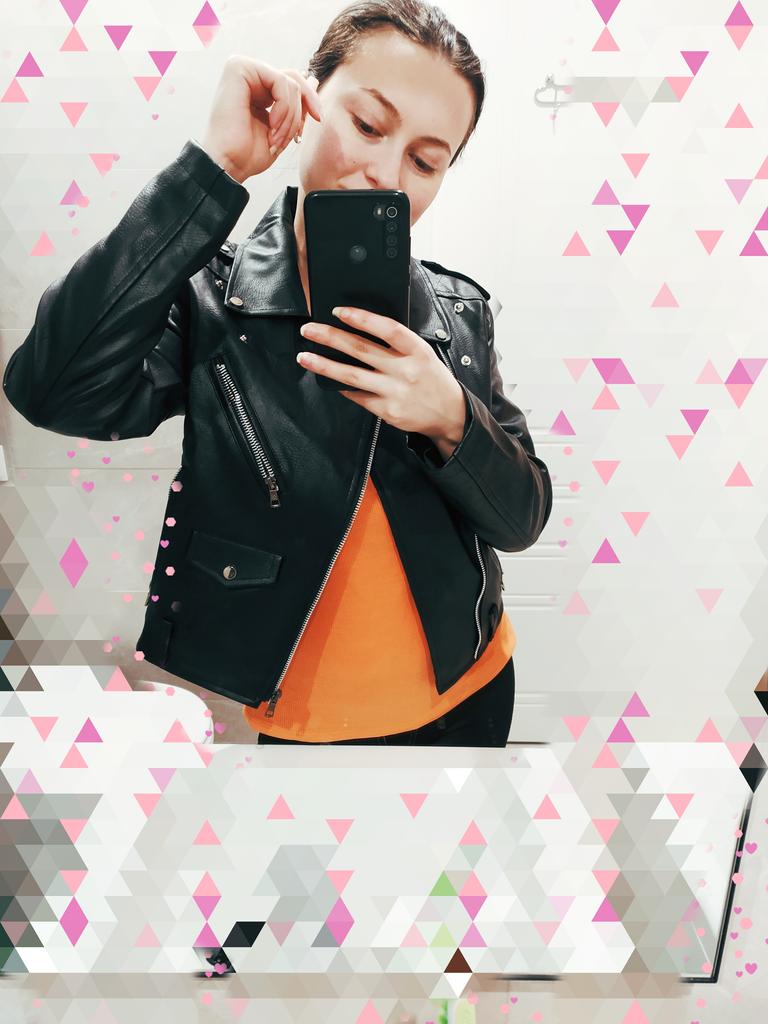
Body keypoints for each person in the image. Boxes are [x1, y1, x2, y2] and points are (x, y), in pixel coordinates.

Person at [2, 0, 552, 748]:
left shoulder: (458, 315)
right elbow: (52, 390)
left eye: (426, 162)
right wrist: (213, 170)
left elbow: (521, 519)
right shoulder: (207, 299)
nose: (385, 174)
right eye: (368, 124)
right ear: (309, 98)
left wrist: (450, 418)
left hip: (473, 690)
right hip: (305, 723)